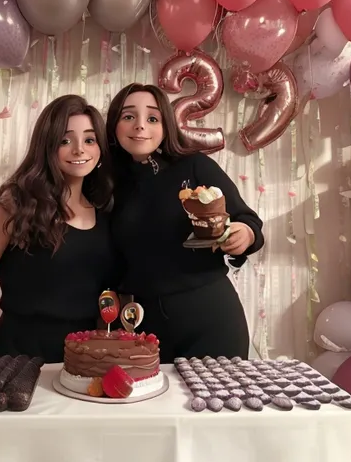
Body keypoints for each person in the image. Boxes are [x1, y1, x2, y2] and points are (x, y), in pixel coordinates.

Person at [106, 83, 264, 362]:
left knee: (218, 402)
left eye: (152, 118)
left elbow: (246, 219)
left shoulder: (194, 166)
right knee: (152, 405)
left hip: (209, 313)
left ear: (166, 125)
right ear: (114, 127)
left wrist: (245, 234)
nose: (140, 126)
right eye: (128, 117)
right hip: (141, 322)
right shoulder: (107, 184)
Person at [0, 95, 118, 363]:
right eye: (65, 141)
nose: (80, 150)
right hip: (18, 358)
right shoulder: (15, 206)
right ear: (47, 146)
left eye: (89, 140)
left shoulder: (106, 213)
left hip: (84, 362)